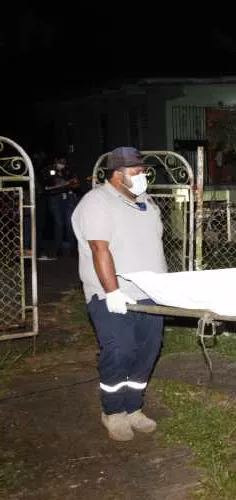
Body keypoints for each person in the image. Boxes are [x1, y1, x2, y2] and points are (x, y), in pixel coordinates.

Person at [71, 146, 167, 442]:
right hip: (113, 294)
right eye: (136, 172)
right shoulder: (96, 203)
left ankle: (133, 407)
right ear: (117, 174)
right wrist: (111, 291)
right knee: (120, 350)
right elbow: (100, 249)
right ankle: (113, 411)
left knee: (147, 351)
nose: (143, 177)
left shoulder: (146, 202)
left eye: (143, 171)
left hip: (151, 293)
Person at [43, 156, 80, 257]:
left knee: (70, 223)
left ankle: (73, 249)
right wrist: (63, 184)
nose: (63, 164)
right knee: (59, 224)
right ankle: (59, 248)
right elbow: (47, 186)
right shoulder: (48, 170)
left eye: (64, 162)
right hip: (55, 198)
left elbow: (76, 183)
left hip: (69, 197)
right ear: (56, 161)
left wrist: (70, 183)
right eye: (61, 162)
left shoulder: (69, 170)